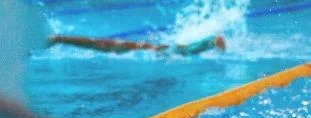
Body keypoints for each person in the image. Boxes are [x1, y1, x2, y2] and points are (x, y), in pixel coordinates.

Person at [47, 34, 226, 55]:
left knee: (181, 51)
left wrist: (60, 39)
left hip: (148, 49)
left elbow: (94, 44)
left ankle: (211, 41)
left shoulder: (122, 47)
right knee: (181, 51)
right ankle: (210, 42)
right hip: (144, 48)